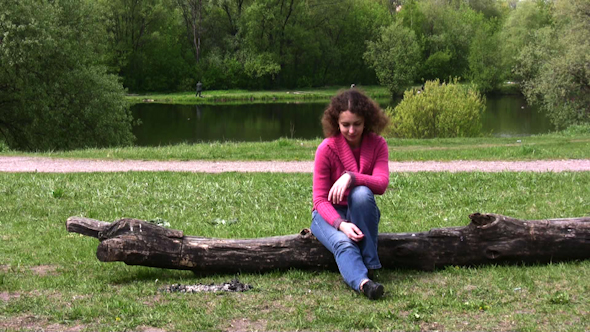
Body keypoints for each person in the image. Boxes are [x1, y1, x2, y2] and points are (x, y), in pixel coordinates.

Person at [311, 89, 390, 300]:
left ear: (367, 121)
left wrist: (352, 177)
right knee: (344, 243)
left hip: (359, 211)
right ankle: (365, 284)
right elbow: (319, 200)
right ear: (336, 123)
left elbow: (381, 184)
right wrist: (341, 224)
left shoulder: (378, 144)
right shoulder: (326, 149)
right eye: (346, 125)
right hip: (327, 215)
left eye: (357, 124)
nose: (352, 130)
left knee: (362, 194)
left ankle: (370, 263)